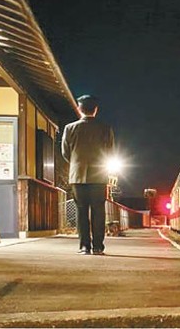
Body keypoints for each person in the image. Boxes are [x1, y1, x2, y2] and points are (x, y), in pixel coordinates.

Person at [62, 95, 115, 255]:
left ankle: (85, 246)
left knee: (81, 211)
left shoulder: (70, 128)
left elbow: (65, 152)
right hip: (99, 176)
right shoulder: (105, 128)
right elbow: (111, 152)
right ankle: (98, 246)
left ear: (79, 109)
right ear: (96, 110)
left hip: (77, 176)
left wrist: (76, 164)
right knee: (99, 211)